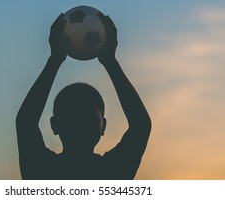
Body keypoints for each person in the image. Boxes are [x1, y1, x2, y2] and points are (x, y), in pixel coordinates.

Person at [16, 12, 151, 179]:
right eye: (72, 116)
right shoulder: (113, 172)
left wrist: (55, 60)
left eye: (87, 117)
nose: (80, 123)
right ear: (55, 124)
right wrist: (110, 62)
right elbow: (141, 126)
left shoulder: (41, 169)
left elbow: (25, 122)